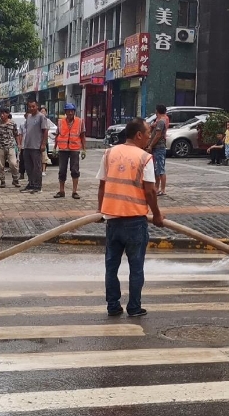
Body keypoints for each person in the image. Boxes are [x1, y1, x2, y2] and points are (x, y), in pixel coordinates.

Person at [97, 118, 164, 318]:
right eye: (148, 134)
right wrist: (158, 215)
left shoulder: (109, 153)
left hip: (112, 219)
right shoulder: (145, 157)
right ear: (138, 135)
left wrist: (101, 211)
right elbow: (151, 192)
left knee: (111, 266)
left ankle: (113, 306)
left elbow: (102, 186)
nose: (150, 138)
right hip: (135, 220)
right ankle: (134, 307)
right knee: (136, 267)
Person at [54, 103, 87, 200]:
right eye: (68, 111)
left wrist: (84, 149)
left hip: (74, 149)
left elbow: (83, 136)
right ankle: (61, 191)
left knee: (75, 170)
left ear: (74, 112)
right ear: (65, 112)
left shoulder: (80, 122)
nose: (70, 113)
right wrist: (55, 148)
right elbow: (57, 135)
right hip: (63, 149)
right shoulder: (60, 122)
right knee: (62, 170)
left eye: (72, 111)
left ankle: (74, 191)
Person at [20, 100, 50, 194]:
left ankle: (38, 186)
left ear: (37, 106)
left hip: (36, 146)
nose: (31, 108)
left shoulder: (41, 117)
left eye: (33, 106)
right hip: (27, 146)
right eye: (30, 107)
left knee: (37, 167)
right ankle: (31, 184)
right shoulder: (28, 117)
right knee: (28, 167)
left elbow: (45, 131)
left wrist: (43, 144)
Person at [0, 107, 20, 188]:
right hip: (0, 147)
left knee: (13, 164)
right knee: (1, 165)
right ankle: (2, 181)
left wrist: (19, 144)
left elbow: (16, 134)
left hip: (10, 146)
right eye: (0, 114)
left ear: (8, 114)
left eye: (4, 113)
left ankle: (15, 179)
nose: (2, 115)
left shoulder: (12, 123)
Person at [146, 105, 169, 196]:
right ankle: (156, 188)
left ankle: (162, 189)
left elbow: (158, 135)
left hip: (159, 147)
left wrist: (151, 145)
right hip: (157, 148)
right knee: (156, 169)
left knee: (160, 169)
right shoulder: (159, 121)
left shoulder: (161, 121)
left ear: (157, 111)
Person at [39, 106, 51, 176]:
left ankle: (44, 170)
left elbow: (47, 129)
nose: (43, 113)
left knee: (44, 156)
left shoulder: (47, 121)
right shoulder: (37, 120)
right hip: (37, 141)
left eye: (44, 111)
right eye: (42, 111)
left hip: (44, 141)